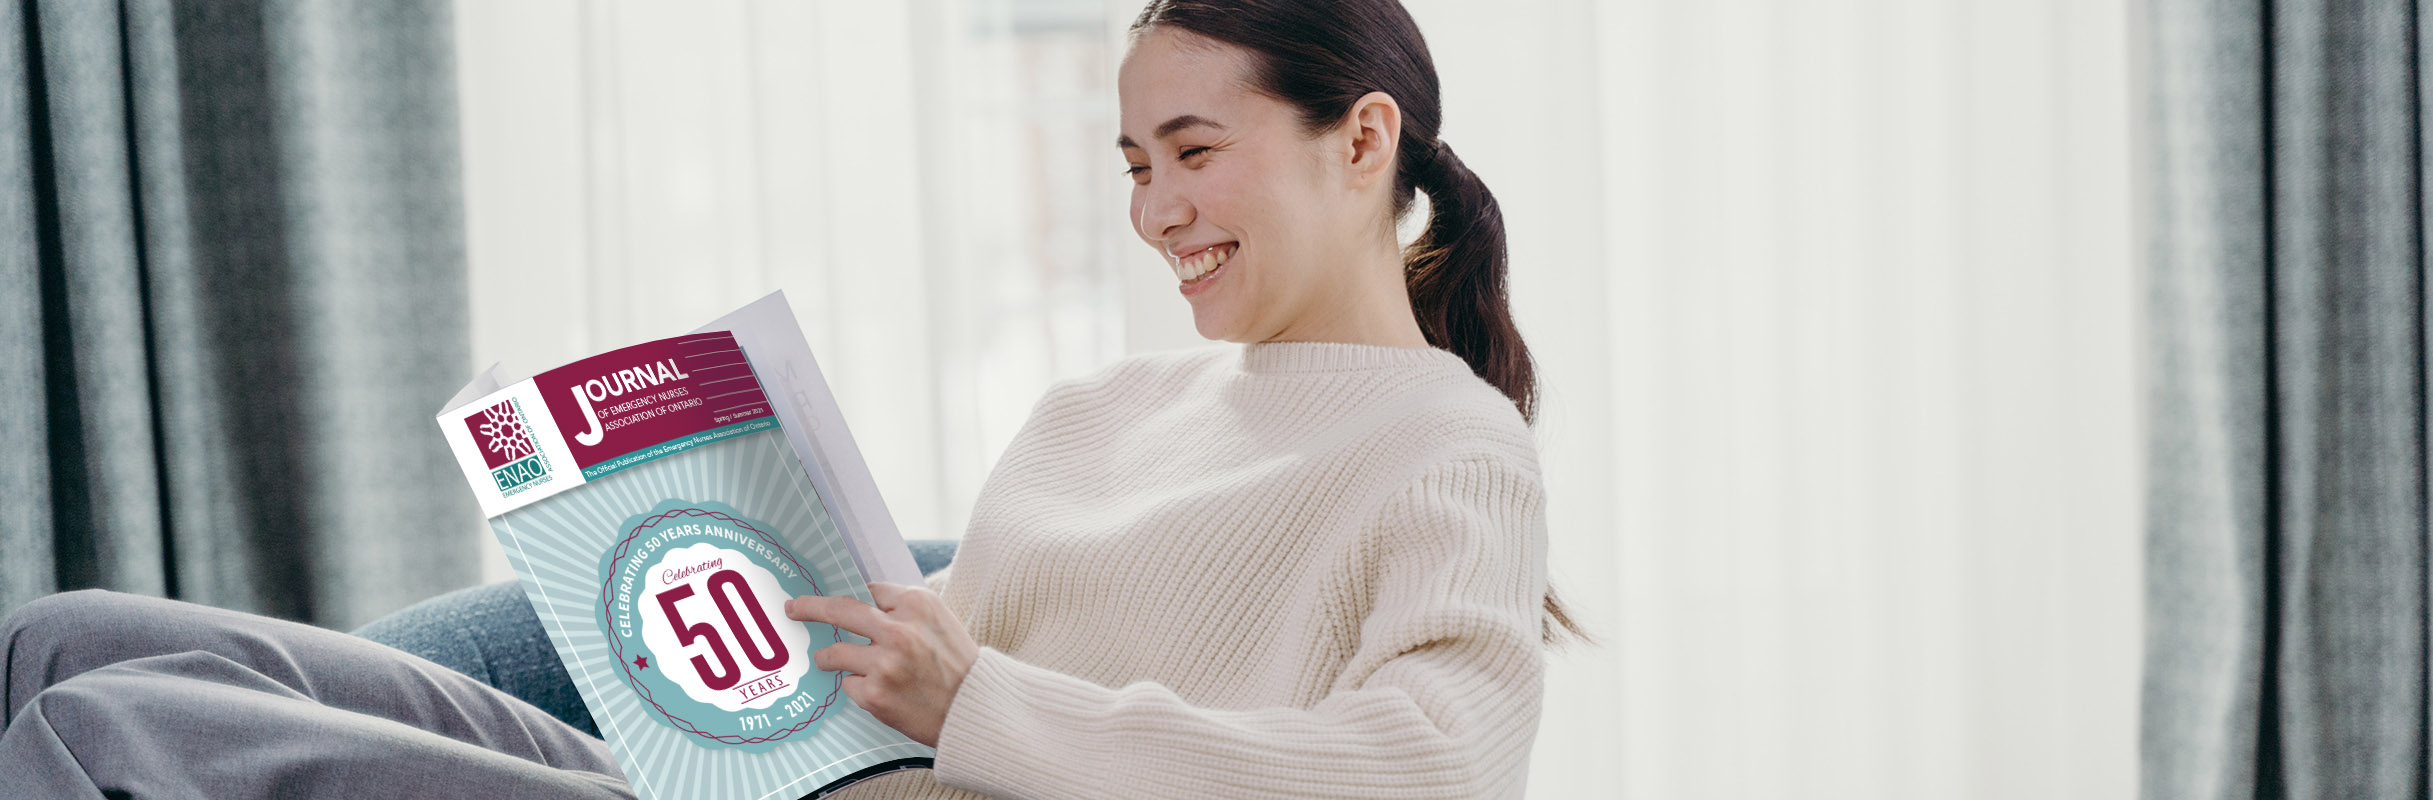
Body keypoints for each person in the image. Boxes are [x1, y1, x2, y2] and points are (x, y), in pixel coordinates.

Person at [0, 0, 1580, 797]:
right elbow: (937, 676)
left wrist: (982, 704)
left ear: (1361, 140)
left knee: (112, 725)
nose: (1154, 207)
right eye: (1131, 164)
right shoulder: (1102, 406)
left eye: (1193, 150)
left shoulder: (1444, 444)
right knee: (66, 636)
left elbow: (1422, 771)